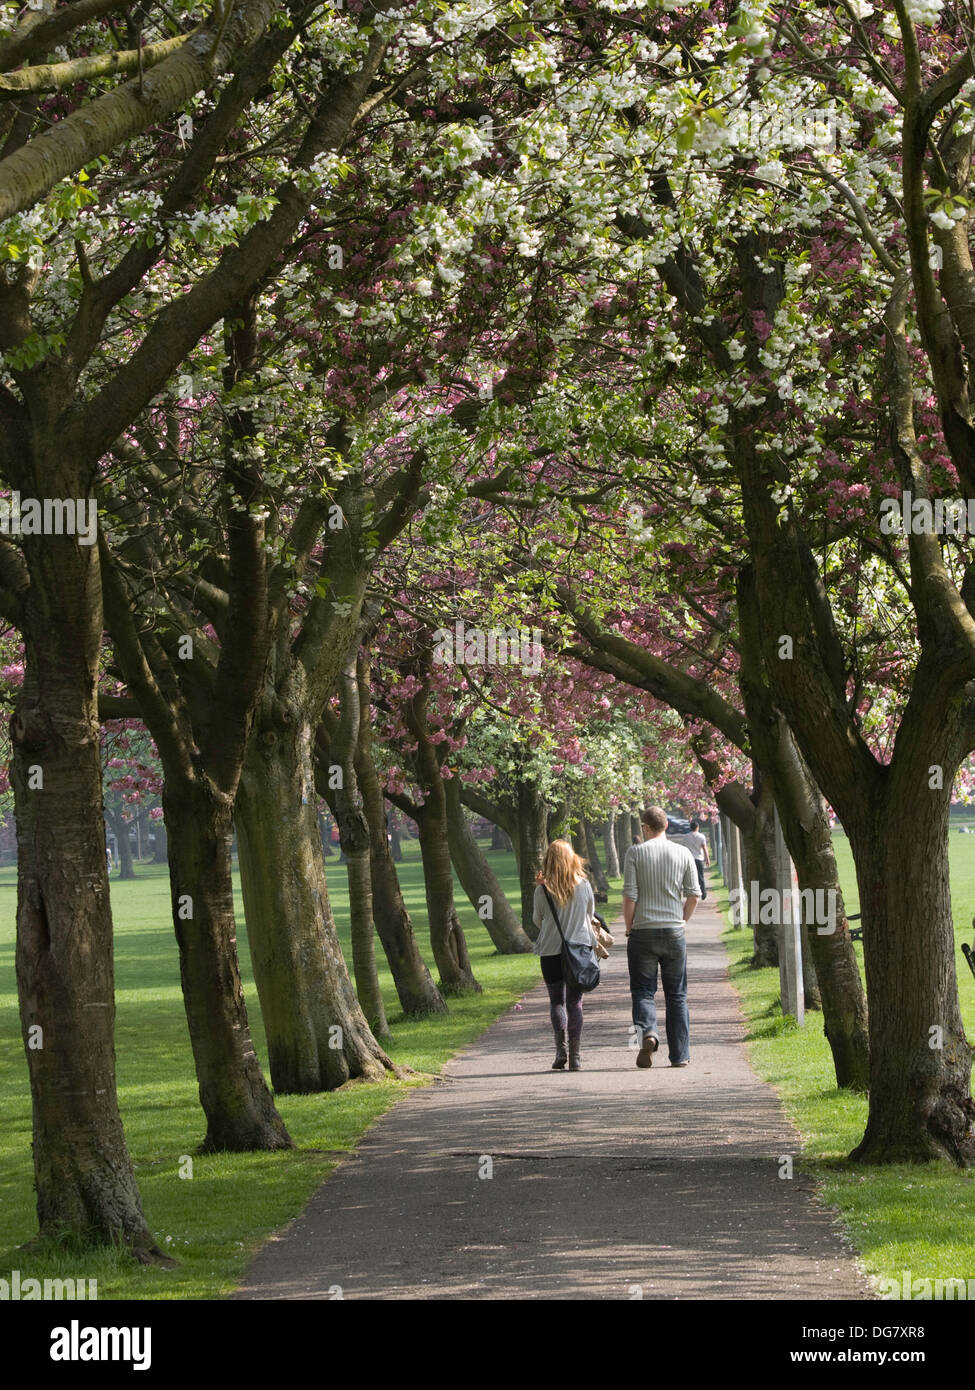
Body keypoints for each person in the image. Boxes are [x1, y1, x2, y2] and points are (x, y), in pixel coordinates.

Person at [623, 805, 700, 1069]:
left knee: (642, 991)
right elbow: (694, 895)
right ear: (666, 825)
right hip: (674, 931)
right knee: (677, 995)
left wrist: (629, 927)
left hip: (643, 931)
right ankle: (680, 1055)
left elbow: (630, 895)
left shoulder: (635, 853)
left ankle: (647, 1034)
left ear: (645, 827)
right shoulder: (684, 853)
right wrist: (682, 920)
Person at [533, 839, 596, 1072]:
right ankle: (576, 1056)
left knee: (557, 1001)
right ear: (572, 859)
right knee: (575, 1003)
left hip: (550, 952)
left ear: (548, 861)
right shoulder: (584, 886)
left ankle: (560, 1050)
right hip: (578, 951)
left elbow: (536, 921)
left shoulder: (542, 890)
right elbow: (590, 915)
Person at [683, 818, 710, 899]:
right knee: (700, 877)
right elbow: (704, 848)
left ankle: (692, 893)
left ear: (690, 828)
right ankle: (703, 893)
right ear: (697, 827)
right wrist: (707, 859)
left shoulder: (686, 837)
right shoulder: (701, 836)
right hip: (699, 859)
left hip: (690, 859)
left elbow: (684, 848)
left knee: (691, 877)